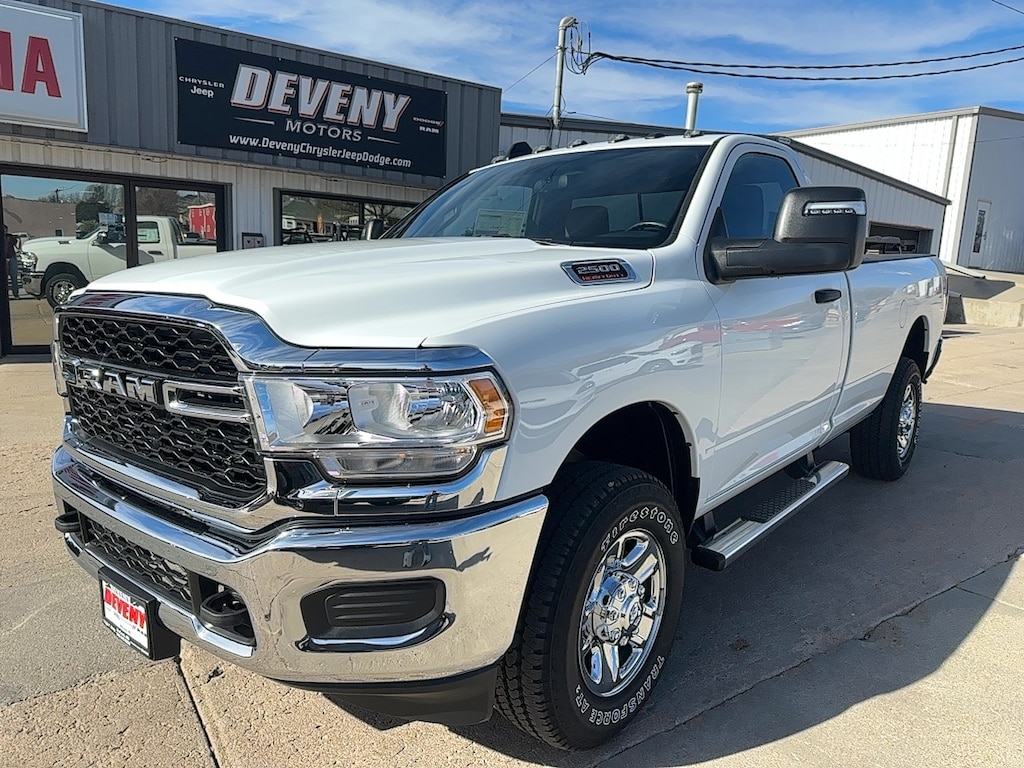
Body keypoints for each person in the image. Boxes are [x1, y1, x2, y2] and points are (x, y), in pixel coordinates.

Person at [3, 224, 19, 299]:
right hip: (4, 259)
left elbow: (16, 244)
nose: (5, 231)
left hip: (12, 257)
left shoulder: (10, 237)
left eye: (5, 229)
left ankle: (16, 293)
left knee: (14, 277)